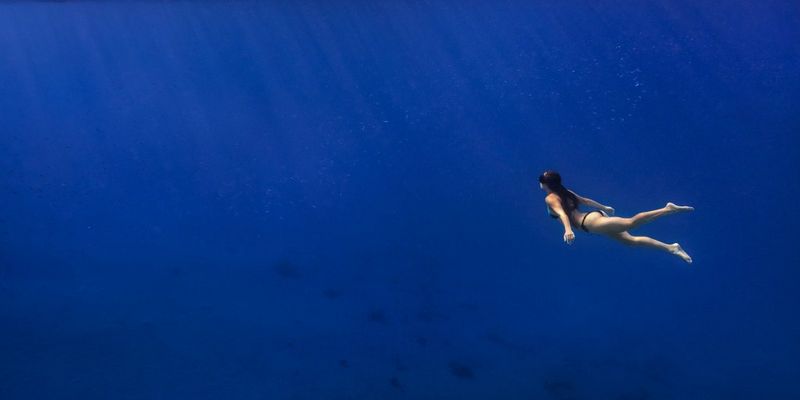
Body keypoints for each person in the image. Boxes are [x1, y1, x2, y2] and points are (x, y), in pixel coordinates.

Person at [539, 170, 693, 263]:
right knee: (631, 241)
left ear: (546, 185)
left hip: (590, 223)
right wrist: (603, 207)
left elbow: (562, 214)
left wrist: (567, 230)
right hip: (593, 219)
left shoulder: (550, 198)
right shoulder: (565, 191)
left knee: (630, 223)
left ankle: (667, 209)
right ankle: (672, 248)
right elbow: (585, 200)